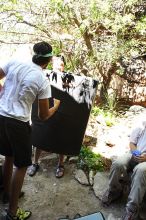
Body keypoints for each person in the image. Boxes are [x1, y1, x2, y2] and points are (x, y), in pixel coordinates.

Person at [0, 41, 60, 220]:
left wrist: (2, 92)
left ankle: (7, 194)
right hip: (18, 123)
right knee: (23, 165)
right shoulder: (42, 80)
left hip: (1, 116)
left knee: (8, 156)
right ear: (48, 60)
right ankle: (12, 212)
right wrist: (55, 106)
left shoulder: (14, 62)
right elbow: (43, 115)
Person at [28, 55, 66, 178]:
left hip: (60, 111)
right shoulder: (43, 75)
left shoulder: (69, 78)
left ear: (64, 66)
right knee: (39, 135)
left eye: (61, 64)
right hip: (44, 109)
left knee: (61, 137)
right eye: (56, 64)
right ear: (51, 64)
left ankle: (60, 165)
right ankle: (35, 163)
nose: (59, 66)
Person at [101, 118, 146, 220]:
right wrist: (135, 152)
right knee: (118, 163)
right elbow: (132, 143)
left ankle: (132, 210)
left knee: (140, 170)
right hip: (134, 154)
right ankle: (114, 191)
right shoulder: (142, 124)